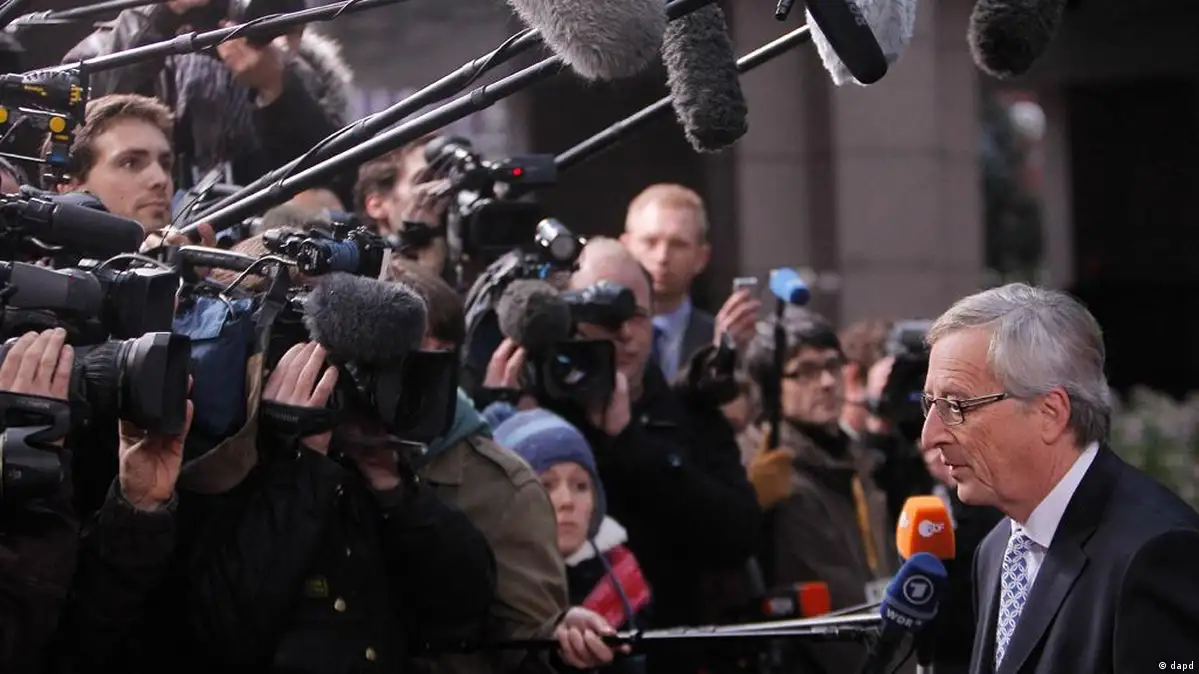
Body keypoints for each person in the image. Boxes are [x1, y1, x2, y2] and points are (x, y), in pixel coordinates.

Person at [485, 238, 760, 672]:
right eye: (607, 317)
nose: (626, 334)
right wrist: (502, 417)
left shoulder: (689, 413)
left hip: (674, 653)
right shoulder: (533, 412)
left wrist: (631, 443)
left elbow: (738, 535)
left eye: (638, 316)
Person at [919, 283, 1199, 674]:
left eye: (956, 405)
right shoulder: (997, 548)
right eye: (930, 404)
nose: (930, 436)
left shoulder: (1155, 553)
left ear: (1050, 413)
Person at [385, 261, 570, 674]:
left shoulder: (499, 487)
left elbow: (533, 647)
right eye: (410, 354)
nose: (425, 373)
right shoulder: (321, 453)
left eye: (439, 356)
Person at [740, 309, 898, 673]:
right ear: (770, 387)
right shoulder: (764, 470)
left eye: (832, 366)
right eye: (806, 372)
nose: (827, 382)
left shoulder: (857, 461)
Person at [63, 0, 349, 191]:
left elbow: (338, 181)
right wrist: (161, 16)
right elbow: (84, 133)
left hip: (260, 244)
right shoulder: (103, 53)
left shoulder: (306, 75)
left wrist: (275, 88)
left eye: (291, 31)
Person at [494, 409, 649, 674]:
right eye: (546, 485)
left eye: (580, 486)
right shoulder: (489, 586)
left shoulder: (627, 583)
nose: (567, 501)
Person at [620, 184, 758, 380]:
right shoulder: (600, 335)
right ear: (625, 247)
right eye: (650, 242)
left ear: (702, 257)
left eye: (678, 244)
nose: (662, 257)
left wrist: (721, 357)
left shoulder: (720, 341)